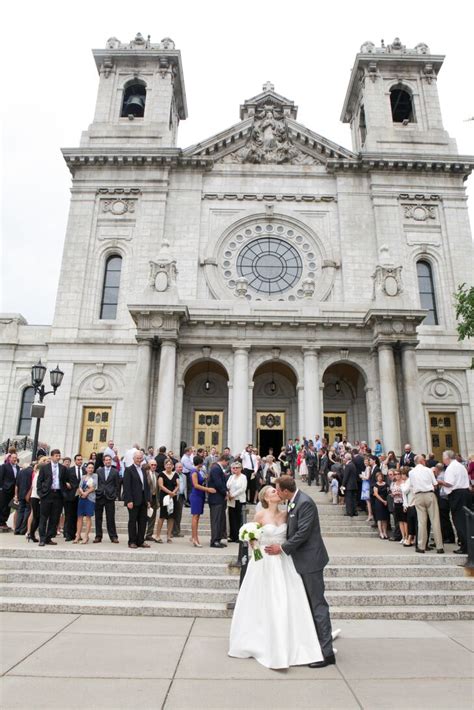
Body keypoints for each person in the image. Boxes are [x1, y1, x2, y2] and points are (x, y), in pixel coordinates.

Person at [229, 484, 324, 669]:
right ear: (265, 497)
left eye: (277, 490)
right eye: (273, 491)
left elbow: (294, 534)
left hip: (283, 560)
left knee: (287, 599)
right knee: (264, 599)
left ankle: (292, 640)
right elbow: (253, 539)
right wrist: (256, 553)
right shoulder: (260, 515)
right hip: (264, 562)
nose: (277, 492)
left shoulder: (287, 514)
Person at [264, 476, 335, 668]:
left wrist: (283, 548)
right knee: (308, 605)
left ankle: (327, 654)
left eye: (278, 490)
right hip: (300, 561)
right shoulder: (293, 502)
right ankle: (314, 646)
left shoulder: (305, 503)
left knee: (318, 604)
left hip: (311, 561)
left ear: (286, 491)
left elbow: (303, 532)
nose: (276, 493)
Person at [409, 454, 444, 554]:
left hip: (418, 496)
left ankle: (421, 546)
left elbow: (411, 485)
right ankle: (439, 546)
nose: (425, 461)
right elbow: (435, 483)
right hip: (429, 494)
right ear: (421, 461)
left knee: (421, 522)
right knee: (435, 521)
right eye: (424, 460)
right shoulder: (428, 470)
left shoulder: (411, 472)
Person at [439, 450, 471, 555]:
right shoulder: (461, 466)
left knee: (459, 520)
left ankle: (465, 546)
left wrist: (440, 482)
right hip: (465, 493)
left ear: (447, 458)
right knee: (465, 520)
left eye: (443, 458)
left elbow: (449, 483)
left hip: (457, 495)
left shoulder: (451, 468)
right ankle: (467, 544)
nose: (443, 460)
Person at [37, 449, 66, 546]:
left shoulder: (62, 468)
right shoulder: (44, 468)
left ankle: (48, 537)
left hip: (58, 495)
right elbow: (39, 482)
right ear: (52, 456)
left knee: (54, 518)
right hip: (47, 495)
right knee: (43, 517)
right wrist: (41, 493)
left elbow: (64, 481)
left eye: (59, 455)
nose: (58, 457)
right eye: (56, 455)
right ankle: (42, 538)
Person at [123, 451, 151, 549]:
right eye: (137, 458)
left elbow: (146, 486)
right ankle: (132, 541)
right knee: (132, 521)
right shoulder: (128, 470)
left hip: (143, 500)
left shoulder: (143, 470)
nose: (139, 460)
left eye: (140, 458)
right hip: (133, 501)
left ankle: (141, 541)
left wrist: (148, 500)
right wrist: (129, 500)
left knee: (143, 521)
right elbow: (127, 487)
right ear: (133, 459)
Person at [189, 456, 215, 547]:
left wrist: (205, 479)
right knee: (195, 517)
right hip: (196, 495)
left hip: (200, 495)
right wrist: (208, 489)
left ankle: (193, 537)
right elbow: (195, 485)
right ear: (200, 462)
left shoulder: (198, 471)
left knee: (197, 517)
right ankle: (195, 538)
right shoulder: (194, 472)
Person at [94, 454, 119, 543]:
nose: (108, 461)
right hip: (99, 496)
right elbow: (95, 483)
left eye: (109, 460)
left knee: (110, 517)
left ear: (111, 461)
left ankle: (113, 536)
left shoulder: (115, 471)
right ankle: (98, 536)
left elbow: (117, 485)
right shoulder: (98, 471)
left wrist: (115, 495)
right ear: (104, 461)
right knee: (98, 517)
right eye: (106, 460)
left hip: (110, 497)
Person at [153, 458, 179, 543]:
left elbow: (178, 485)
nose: (169, 466)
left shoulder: (175, 475)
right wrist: (169, 493)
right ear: (164, 466)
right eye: (167, 464)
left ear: (172, 466)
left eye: (170, 464)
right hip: (164, 497)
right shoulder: (161, 474)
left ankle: (168, 536)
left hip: (173, 497)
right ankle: (157, 535)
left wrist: (173, 493)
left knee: (171, 517)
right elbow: (161, 486)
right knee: (162, 516)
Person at [208, 454, 230, 548]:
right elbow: (218, 482)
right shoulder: (216, 468)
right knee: (216, 520)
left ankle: (218, 539)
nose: (227, 464)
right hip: (216, 498)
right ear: (224, 460)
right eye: (227, 462)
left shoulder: (218, 468)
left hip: (219, 498)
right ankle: (214, 541)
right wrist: (225, 492)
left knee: (220, 519)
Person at [74, 463, 97, 544]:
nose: (90, 469)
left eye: (92, 468)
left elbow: (94, 487)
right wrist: (82, 493)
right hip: (82, 498)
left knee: (88, 517)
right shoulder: (83, 477)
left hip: (90, 499)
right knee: (79, 517)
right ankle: (77, 535)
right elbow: (80, 486)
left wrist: (86, 493)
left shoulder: (95, 476)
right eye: (89, 468)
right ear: (86, 469)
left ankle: (86, 536)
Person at [61, 454, 82, 541]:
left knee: (78, 516)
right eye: (78, 459)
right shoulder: (69, 470)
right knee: (70, 516)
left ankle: (77, 534)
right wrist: (66, 484)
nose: (80, 461)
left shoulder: (85, 470)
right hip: (70, 496)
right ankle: (69, 535)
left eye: (81, 460)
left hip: (81, 497)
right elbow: (63, 480)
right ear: (75, 461)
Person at [434, 463, 456, 544]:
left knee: (444, 519)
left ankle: (448, 537)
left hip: (443, 499)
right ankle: (446, 536)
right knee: (444, 519)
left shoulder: (441, 476)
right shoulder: (444, 474)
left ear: (437, 469)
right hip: (444, 499)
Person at [226, 461, 247, 543]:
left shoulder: (243, 477)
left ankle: (239, 536)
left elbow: (242, 489)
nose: (235, 469)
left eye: (237, 468)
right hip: (231, 500)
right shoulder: (231, 477)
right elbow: (227, 486)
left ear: (240, 469)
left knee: (239, 519)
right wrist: (229, 494)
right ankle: (232, 536)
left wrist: (233, 495)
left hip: (240, 500)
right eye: (233, 468)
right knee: (232, 518)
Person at [27, 458, 46, 542]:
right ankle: (31, 534)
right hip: (36, 497)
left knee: (36, 517)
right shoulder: (39, 475)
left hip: (35, 497)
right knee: (36, 517)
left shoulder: (37, 474)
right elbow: (38, 487)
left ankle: (31, 534)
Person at [0, 452, 20, 530]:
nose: (14, 459)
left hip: (13, 490)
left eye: (15, 457)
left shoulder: (17, 468)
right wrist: (1, 487)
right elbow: (1, 477)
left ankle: (4, 521)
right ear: (9, 458)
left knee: (9, 506)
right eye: (13, 457)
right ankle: (1, 522)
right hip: (5, 489)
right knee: (3, 506)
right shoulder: (4, 466)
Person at [14, 463, 33, 535]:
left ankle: (17, 529)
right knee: (27, 511)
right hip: (29, 494)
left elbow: (17, 485)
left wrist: (16, 495)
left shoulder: (20, 472)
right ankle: (23, 529)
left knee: (20, 511)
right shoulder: (32, 472)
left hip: (21, 494)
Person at [390, 470, 408, 544]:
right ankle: (403, 537)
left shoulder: (403, 483)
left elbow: (406, 493)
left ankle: (407, 537)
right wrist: (393, 494)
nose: (397, 475)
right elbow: (391, 492)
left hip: (403, 503)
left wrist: (400, 494)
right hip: (396, 503)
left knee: (405, 521)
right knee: (400, 521)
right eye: (395, 474)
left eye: (398, 474)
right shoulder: (393, 483)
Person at [144, 460, 159, 541]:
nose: (153, 466)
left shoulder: (157, 475)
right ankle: (141, 534)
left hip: (154, 498)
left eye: (155, 465)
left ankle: (149, 534)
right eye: (152, 465)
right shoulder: (145, 474)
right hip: (146, 498)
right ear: (149, 465)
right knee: (144, 517)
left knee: (152, 517)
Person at [373, 471, 389, 539]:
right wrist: (383, 501)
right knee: (379, 518)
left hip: (386, 501)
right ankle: (381, 532)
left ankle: (385, 532)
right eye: (378, 477)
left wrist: (386, 501)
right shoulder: (375, 485)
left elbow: (388, 492)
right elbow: (376, 494)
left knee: (385, 518)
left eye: (381, 477)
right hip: (379, 501)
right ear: (376, 478)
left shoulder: (386, 484)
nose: (380, 478)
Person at [342, 453, 358, 517]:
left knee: (348, 499)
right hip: (354, 485)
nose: (343, 459)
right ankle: (354, 512)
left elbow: (346, 476)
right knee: (353, 499)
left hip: (349, 485)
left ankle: (349, 512)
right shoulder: (352, 464)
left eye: (344, 458)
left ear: (347, 458)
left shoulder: (348, 465)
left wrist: (343, 485)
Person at [172, 462, 186, 538]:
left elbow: (185, 486)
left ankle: (177, 531)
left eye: (181, 467)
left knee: (178, 515)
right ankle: (171, 531)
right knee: (172, 514)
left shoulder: (184, 476)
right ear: (175, 467)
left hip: (181, 497)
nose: (180, 468)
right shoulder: (172, 474)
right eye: (179, 467)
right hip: (174, 496)